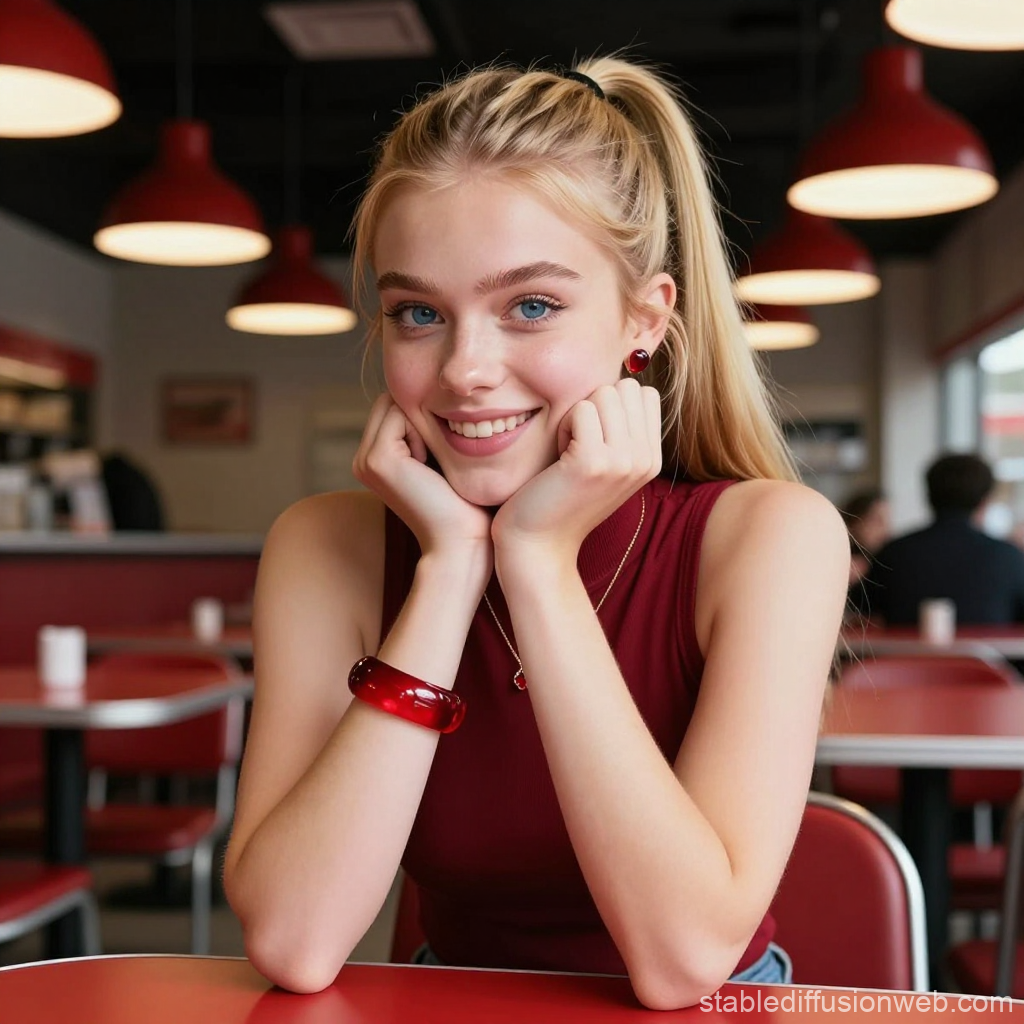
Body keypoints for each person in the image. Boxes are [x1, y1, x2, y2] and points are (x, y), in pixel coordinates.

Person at [222, 57, 848, 1009]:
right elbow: (294, 940)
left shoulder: (772, 538)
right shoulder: (326, 546)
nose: (466, 369)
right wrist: (447, 573)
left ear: (645, 319)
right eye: (419, 313)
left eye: (532, 306)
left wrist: (539, 563)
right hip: (452, 998)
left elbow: (683, 963)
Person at [860, 453, 1024, 625]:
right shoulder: (1009, 558)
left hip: (902, 653)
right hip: (994, 652)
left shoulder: (893, 553)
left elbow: (861, 610)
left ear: (929, 496)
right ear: (985, 501)